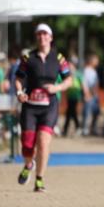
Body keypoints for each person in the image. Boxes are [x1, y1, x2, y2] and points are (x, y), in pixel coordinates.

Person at [14, 23, 72, 193]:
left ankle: (39, 180)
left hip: (50, 106)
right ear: (36, 37)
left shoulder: (59, 58)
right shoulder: (27, 58)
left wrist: (57, 88)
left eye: (45, 34)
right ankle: (28, 164)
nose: (42, 37)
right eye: (39, 34)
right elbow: (18, 78)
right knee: (27, 145)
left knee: (44, 142)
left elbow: (69, 79)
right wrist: (19, 92)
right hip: (30, 107)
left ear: (51, 37)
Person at [61, 56, 83, 137]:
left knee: (71, 112)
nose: (69, 66)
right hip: (69, 96)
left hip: (76, 96)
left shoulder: (78, 74)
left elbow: (83, 85)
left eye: (71, 64)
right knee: (70, 113)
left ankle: (76, 128)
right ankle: (73, 128)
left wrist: (86, 94)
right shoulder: (67, 74)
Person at [81, 53, 101, 136]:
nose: (97, 62)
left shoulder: (93, 71)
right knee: (87, 112)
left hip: (94, 95)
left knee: (96, 112)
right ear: (91, 61)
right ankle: (84, 130)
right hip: (89, 95)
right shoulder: (86, 70)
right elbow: (84, 83)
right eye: (96, 60)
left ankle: (93, 128)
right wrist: (86, 94)